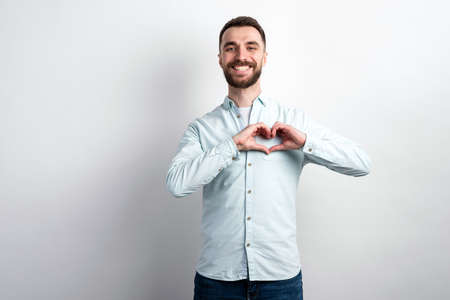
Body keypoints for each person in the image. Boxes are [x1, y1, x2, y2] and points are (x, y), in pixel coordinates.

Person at [166, 16, 371, 300]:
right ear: (220, 58)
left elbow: (361, 163)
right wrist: (232, 145)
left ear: (264, 56)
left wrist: (306, 143)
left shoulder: (293, 121)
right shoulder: (202, 129)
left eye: (251, 47)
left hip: (280, 282)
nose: (241, 56)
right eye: (231, 48)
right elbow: (177, 184)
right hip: (217, 282)